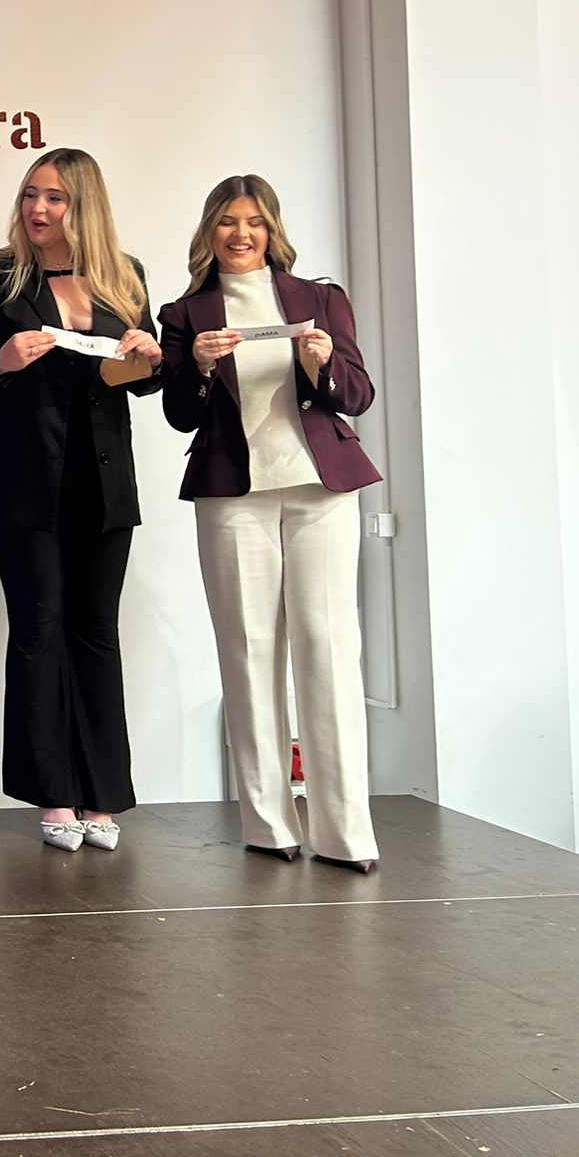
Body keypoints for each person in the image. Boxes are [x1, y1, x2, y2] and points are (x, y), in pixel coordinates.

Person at [157, 175, 383, 872]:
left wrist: (323, 364)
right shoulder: (185, 313)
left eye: (254, 221)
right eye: (228, 221)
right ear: (210, 231)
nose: (241, 233)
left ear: (272, 229)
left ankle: (345, 833)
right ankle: (267, 824)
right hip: (233, 493)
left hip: (320, 488)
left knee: (329, 648)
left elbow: (358, 395)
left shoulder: (320, 298)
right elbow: (180, 414)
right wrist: (197, 367)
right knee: (248, 651)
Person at [0, 147, 161, 853]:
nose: (37, 209)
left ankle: (102, 795)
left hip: (104, 486)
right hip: (23, 487)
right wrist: (1, 360)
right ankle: (54, 795)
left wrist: (147, 357)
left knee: (96, 632)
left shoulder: (125, 277)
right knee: (39, 630)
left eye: (55, 197)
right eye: (30, 194)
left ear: (83, 205)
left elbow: (145, 379)